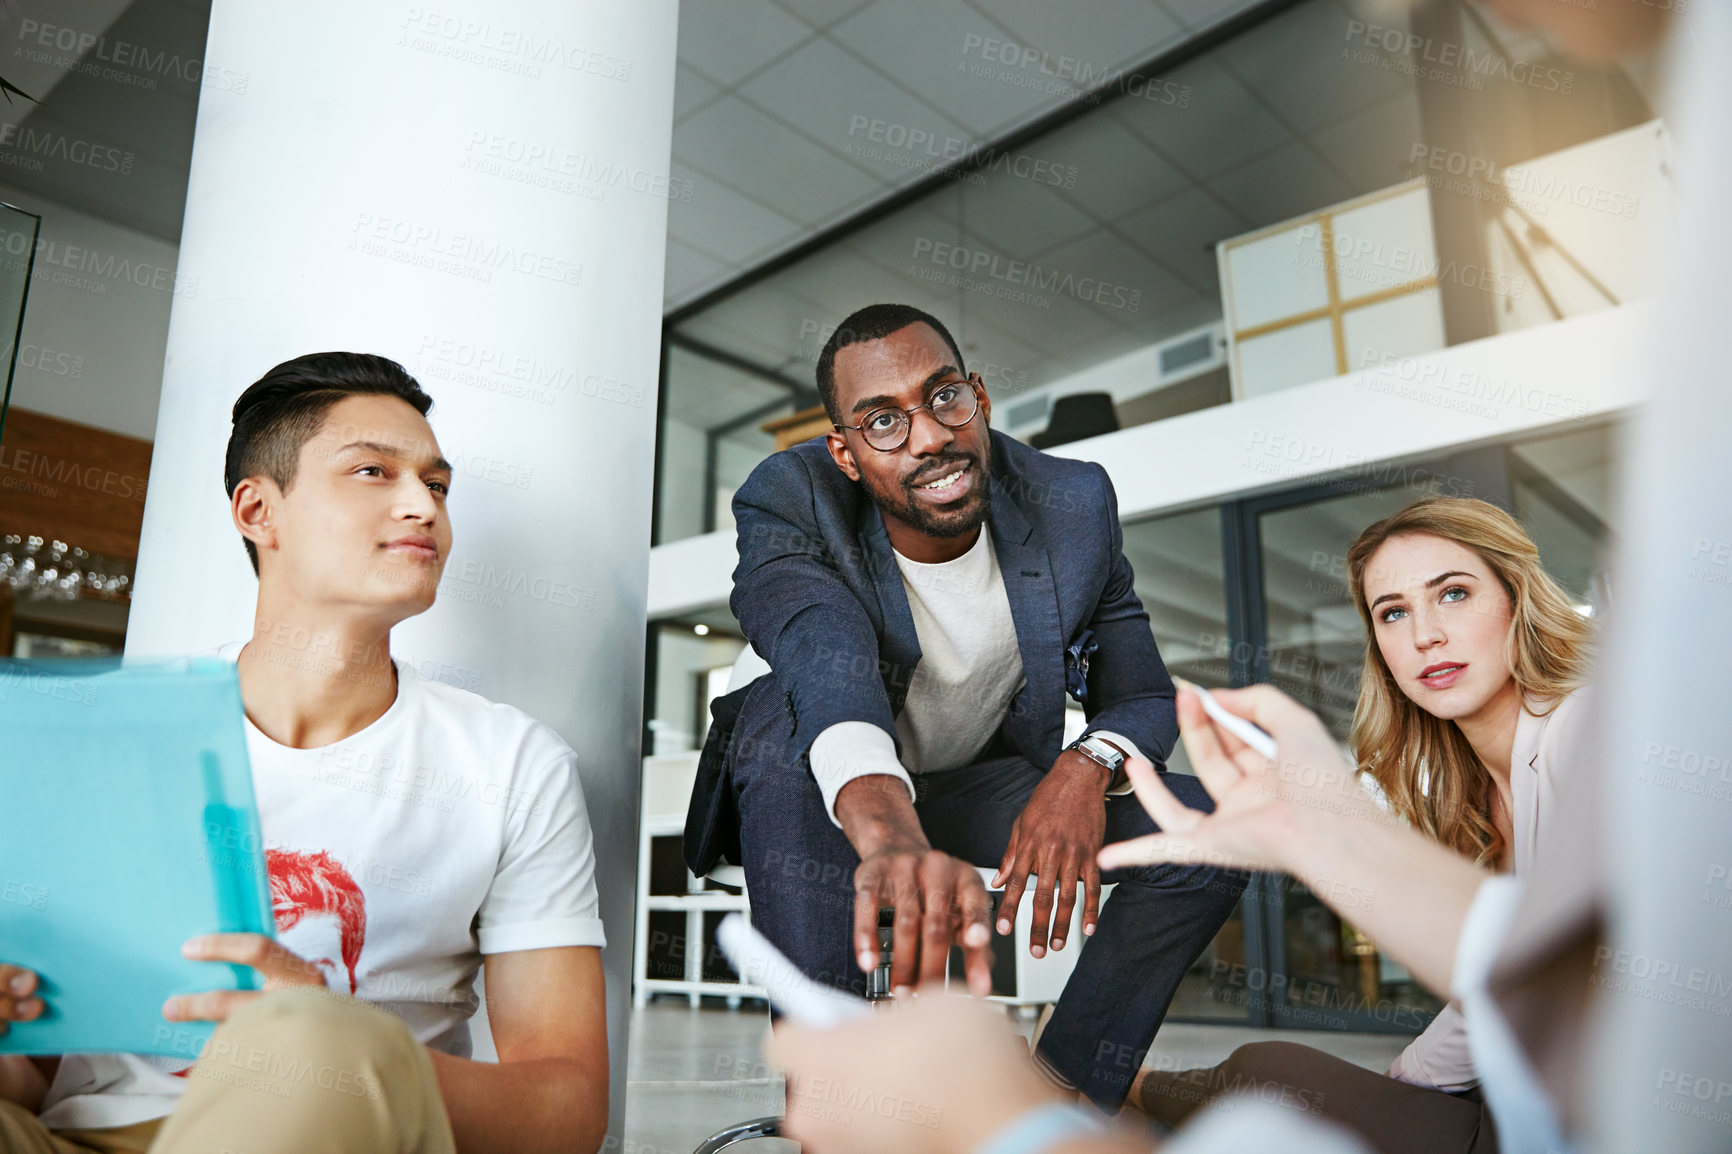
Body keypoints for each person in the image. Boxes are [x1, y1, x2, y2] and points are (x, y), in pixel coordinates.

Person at [0, 353, 609, 1154]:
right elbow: (35, 1077)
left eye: (437, 484)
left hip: (330, 1131)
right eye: (372, 471)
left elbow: (566, 1111)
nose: (421, 505)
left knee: (308, 1045)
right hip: (74, 1136)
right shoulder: (104, 739)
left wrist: (340, 1042)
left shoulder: (511, 763)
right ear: (258, 511)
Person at [686, 303, 1244, 1108]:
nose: (928, 436)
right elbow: (820, 651)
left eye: (944, 397)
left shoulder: (1071, 506)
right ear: (843, 452)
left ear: (978, 396)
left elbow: (1144, 693)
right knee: (775, 707)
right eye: (883, 421)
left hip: (966, 783)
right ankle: (838, 1107)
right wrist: (884, 827)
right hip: (810, 787)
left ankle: (1060, 1103)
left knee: (1212, 833)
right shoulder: (791, 494)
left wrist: (1086, 766)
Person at [1127, 498, 1592, 1152]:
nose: (1425, 634)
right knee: (1263, 1078)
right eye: (1393, 613)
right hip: (1524, 1088)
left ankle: (1125, 1087)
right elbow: (1489, 977)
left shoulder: (1585, 728)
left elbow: (1554, 970)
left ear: (1517, 599)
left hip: (1597, 1115)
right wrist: (1407, 1081)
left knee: (1264, 1082)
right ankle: (1131, 1086)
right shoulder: (1460, 788)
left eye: (1453, 594)